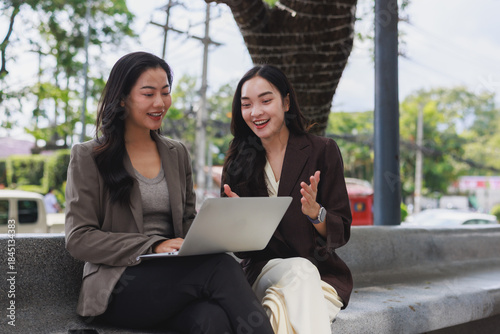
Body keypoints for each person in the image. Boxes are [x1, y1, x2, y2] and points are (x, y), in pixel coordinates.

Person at [65, 51, 274, 333]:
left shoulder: (176, 153)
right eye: (148, 93)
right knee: (222, 267)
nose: (160, 103)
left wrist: (225, 224)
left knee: (211, 320)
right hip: (119, 287)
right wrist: (152, 245)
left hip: (177, 283)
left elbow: (187, 222)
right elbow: (79, 239)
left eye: (165, 92)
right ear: (123, 98)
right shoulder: (89, 155)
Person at [221, 64, 353, 334]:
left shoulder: (322, 151)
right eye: (246, 105)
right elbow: (241, 252)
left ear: (286, 102)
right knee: (299, 271)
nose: (255, 112)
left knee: (278, 311)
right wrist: (238, 223)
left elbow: (342, 231)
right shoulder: (237, 162)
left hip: (322, 277)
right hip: (263, 274)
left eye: (266, 101)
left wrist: (317, 214)